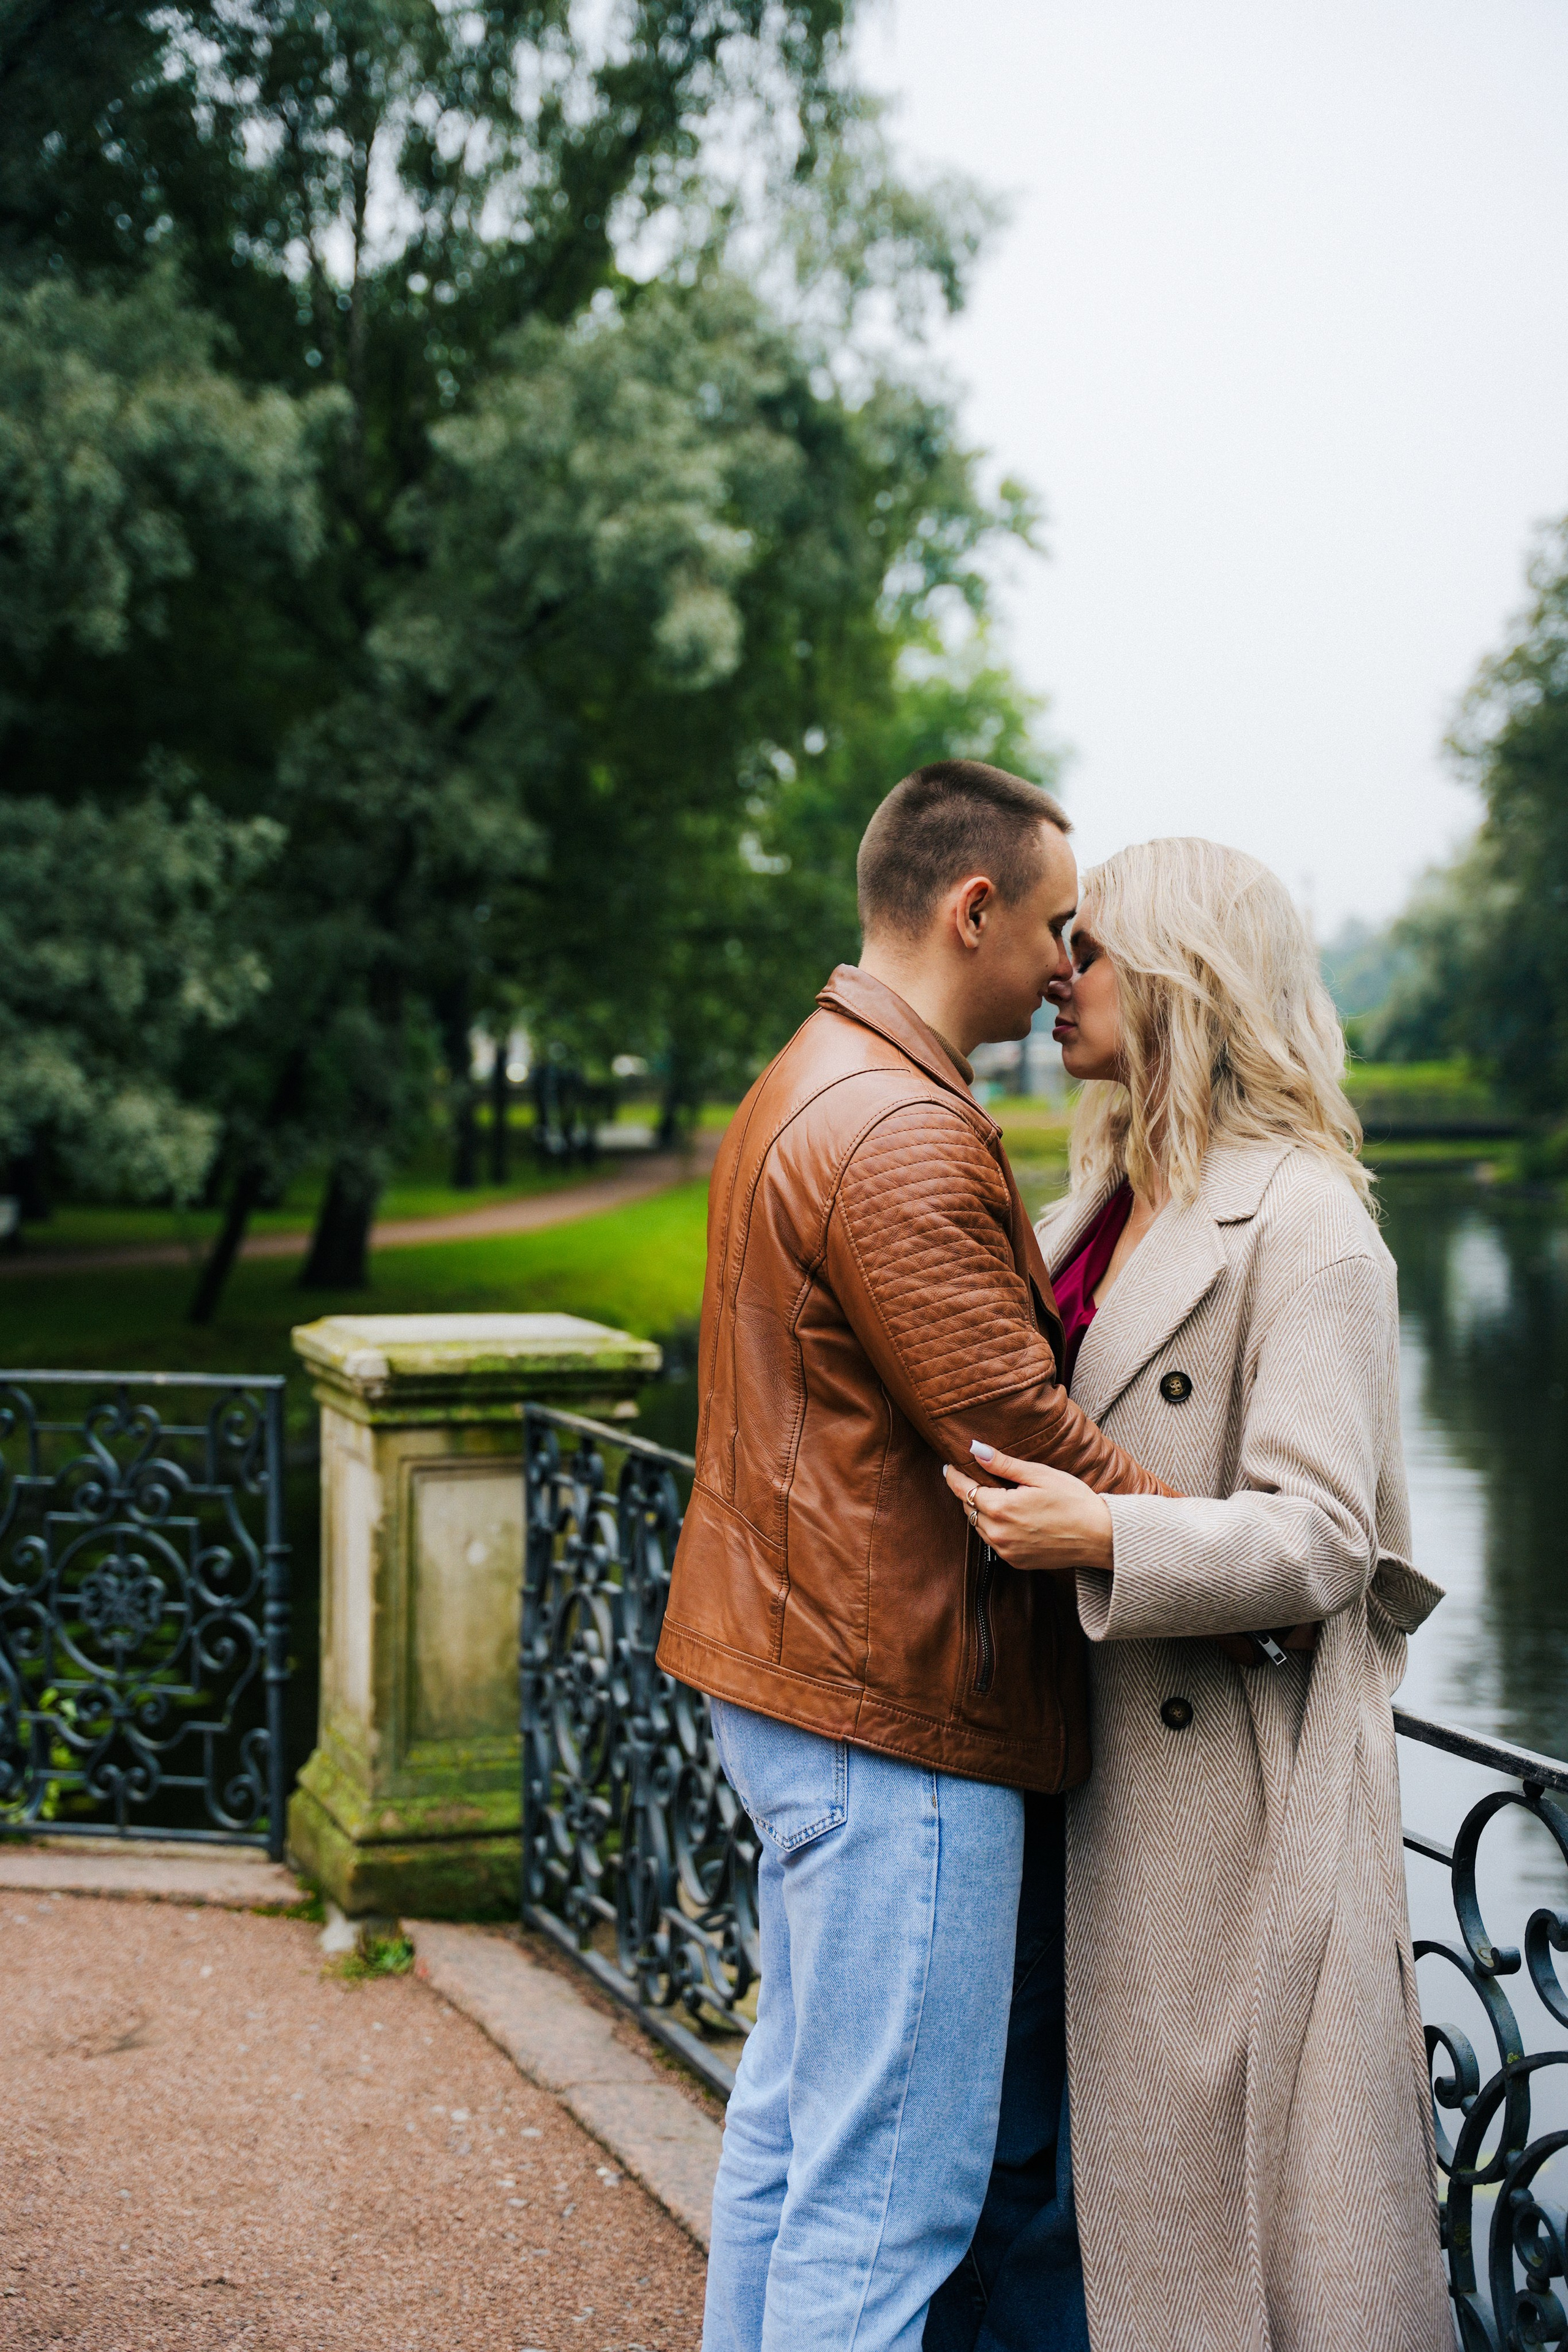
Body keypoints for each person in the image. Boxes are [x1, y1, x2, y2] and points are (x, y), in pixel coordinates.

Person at [655, 762, 1169, 2352]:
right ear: (974, 909)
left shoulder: (811, 1071)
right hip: (895, 1710)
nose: (1070, 967)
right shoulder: (901, 1128)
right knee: (891, 2211)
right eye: (1059, 928)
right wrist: (1214, 1552)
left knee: (797, 2143)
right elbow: (1010, 1424)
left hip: (803, 1676)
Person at [944, 837, 1451, 2352]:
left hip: (1207, 1805)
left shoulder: (1309, 1226)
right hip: (1056, 1763)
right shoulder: (1099, 1191)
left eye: (1087, 947)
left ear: (1177, 979)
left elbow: (1323, 1543)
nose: (1054, 971)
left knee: (1170, 2236)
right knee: (1021, 2181)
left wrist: (1100, 1537)